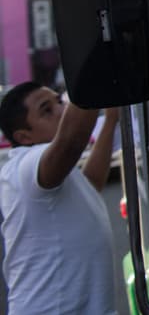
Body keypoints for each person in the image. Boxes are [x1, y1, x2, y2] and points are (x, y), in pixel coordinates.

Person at [0, 82, 119, 315]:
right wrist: (95, 67)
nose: (61, 110)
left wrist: (111, 121)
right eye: (47, 110)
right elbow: (71, 141)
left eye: (59, 101)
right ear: (24, 137)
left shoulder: (50, 171)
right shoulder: (25, 165)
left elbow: (90, 184)